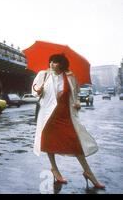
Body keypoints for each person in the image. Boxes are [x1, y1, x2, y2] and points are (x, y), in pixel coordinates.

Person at [32, 54, 105, 189]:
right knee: (49, 143)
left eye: (55, 62)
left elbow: (75, 95)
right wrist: (38, 91)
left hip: (65, 115)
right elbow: (34, 90)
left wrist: (77, 103)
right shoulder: (44, 75)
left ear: (62, 64)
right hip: (49, 116)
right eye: (51, 62)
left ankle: (88, 172)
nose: (52, 64)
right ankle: (54, 169)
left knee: (75, 143)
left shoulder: (70, 77)